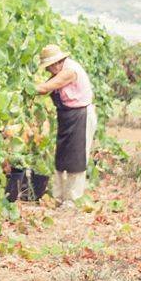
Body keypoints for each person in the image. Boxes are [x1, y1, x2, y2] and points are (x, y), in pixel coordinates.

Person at [35, 44, 97, 203]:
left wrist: (24, 88)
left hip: (80, 116)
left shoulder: (69, 71)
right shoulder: (60, 71)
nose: (49, 70)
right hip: (67, 116)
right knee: (62, 157)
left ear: (57, 62)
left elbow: (45, 88)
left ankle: (72, 199)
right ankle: (59, 196)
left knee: (76, 158)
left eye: (49, 66)